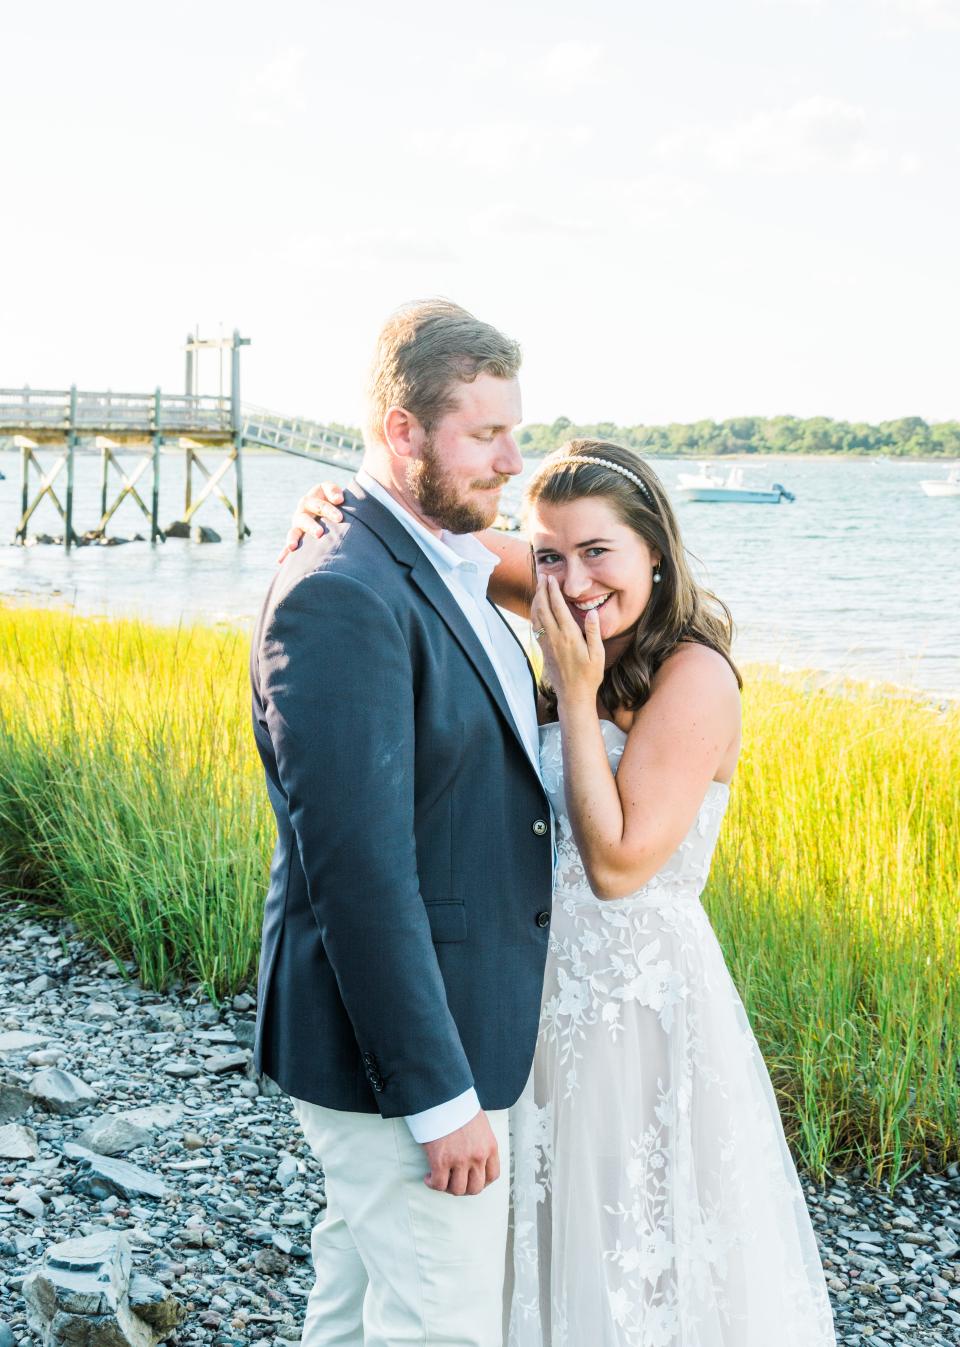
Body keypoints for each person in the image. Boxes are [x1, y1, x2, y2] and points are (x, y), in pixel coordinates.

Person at [286, 442, 838, 1346]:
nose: (575, 581)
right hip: (530, 999)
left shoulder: (693, 676)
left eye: (599, 553)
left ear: (655, 550)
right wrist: (336, 505)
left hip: (637, 1012)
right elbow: (425, 539)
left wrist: (575, 697)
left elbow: (618, 866)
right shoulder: (562, 593)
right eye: (552, 555)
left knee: (626, 1245)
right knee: (499, 1252)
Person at [250, 299, 554, 1347]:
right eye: (486, 434)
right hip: (397, 1066)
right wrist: (437, 1098)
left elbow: (620, 571)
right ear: (402, 431)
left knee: (355, 1313)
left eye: (516, 429)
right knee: (443, 1326)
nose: (513, 460)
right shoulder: (341, 590)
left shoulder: (450, 559)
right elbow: (360, 872)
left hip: (443, 1032)